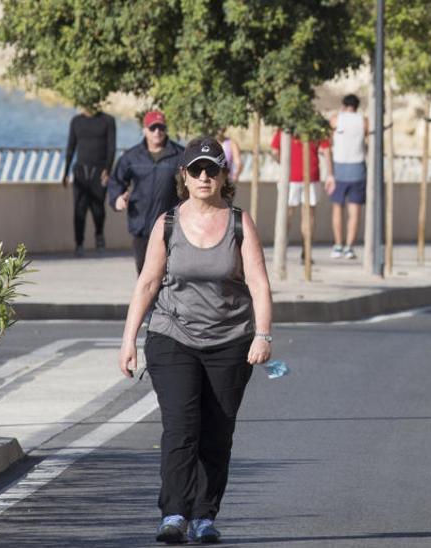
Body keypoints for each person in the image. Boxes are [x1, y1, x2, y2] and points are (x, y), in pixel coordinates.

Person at [118, 137, 273, 544]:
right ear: (183, 176)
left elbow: (258, 282)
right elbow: (148, 282)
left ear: (224, 176)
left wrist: (263, 334)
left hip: (230, 340)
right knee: (180, 428)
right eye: (196, 170)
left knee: (217, 431)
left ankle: (204, 516)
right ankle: (173, 513)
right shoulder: (167, 223)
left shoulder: (240, 222)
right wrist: (129, 339)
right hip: (173, 336)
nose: (204, 177)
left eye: (212, 170)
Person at [108, 111, 184, 273]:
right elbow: (116, 181)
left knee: (169, 274)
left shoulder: (179, 155)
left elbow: (192, 183)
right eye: (153, 128)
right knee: (145, 275)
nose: (157, 131)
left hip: (171, 227)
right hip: (141, 228)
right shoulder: (132, 157)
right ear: (145, 130)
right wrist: (117, 199)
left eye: (161, 127)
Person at [63, 107, 116, 256]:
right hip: (80, 170)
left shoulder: (107, 120)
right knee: (79, 208)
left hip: (99, 171)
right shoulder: (76, 121)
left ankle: (99, 235)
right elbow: (70, 147)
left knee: (97, 207)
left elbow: (111, 147)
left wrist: (108, 169)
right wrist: (65, 172)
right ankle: (79, 243)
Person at [269, 130, 328, 260]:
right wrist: (331, 174)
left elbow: (274, 151)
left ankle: (281, 248)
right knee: (308, 214)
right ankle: (307, 250)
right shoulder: (314, 124)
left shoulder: (285, 125)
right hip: (311, 174)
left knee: (287, 214)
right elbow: (326, 147)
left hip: (290, 175)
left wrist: (284, 164)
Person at [324, 94, 369, 260]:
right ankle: (349, 247)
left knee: (337, 208)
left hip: (339, 167)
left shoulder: (336, 120)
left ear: (343, 105)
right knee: (355, 210)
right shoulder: (364, 121)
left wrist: (330, 173)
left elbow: (327, 143)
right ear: (357, 107)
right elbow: (368, 144)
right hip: (358, 167)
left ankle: (338, 245)